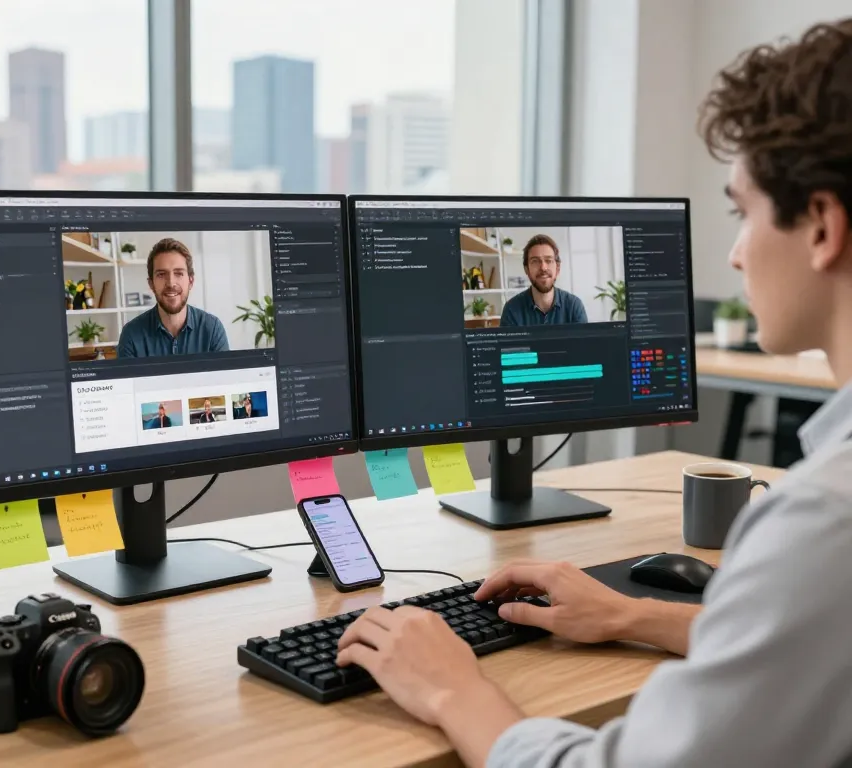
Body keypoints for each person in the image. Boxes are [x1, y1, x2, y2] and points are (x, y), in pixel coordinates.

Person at [338, 18, 852, 768]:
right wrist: (635, 615)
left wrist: (453, 688)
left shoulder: (821, 524)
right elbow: (811, 644)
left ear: (821, 227)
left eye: (742, 214)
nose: (736, 254)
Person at [117, 237, 229, 358]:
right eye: (161, 274)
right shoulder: (131, 335)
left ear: (190, 281)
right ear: (151, 284)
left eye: (179, 273)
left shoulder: (212, 330)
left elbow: (224, 377)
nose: (170, 283)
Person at [499, 234, 588, 326]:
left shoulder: (574, 306)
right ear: (526, 269)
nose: (543, 267)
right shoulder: (511, 309)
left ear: (557, 268)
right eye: (535, 261)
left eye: (548, 260)